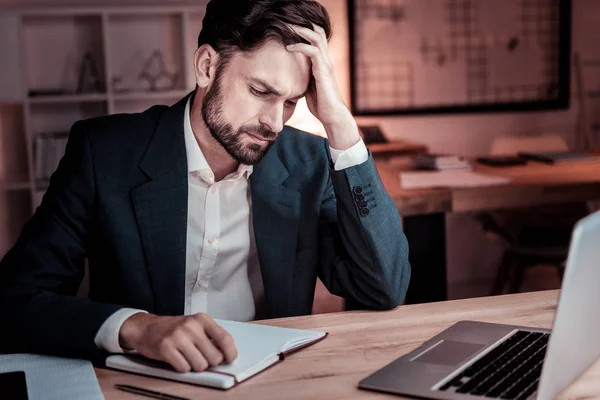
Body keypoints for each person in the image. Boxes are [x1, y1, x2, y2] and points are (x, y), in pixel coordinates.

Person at [0, 0, 410, 373]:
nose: (274, 122)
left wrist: (340, 125)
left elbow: (381, 287)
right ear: (207, 67)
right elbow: (14, 300)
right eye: (259, 91)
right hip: (142, 382)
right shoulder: (104, 154)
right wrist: (136, 328)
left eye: (291, 101)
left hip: (272, 383)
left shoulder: (308, 163)